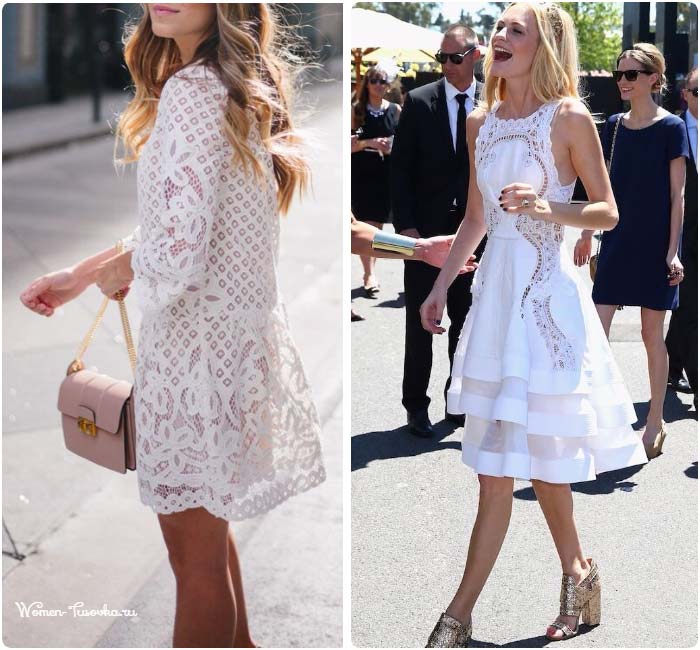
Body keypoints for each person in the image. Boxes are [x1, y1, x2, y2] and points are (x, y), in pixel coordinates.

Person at [19, 5, 326, 647]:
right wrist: (84, 272)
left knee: (193, 562)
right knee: (206, 546)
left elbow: (175, 250)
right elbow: (182, 223)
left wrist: (119, 270)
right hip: (231, 353)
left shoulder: (192, 90)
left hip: (194, 361)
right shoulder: (226, 84)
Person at [419, 3, 648, 646]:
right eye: (499, 29)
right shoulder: (480, 122)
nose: (499, 37)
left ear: (544, 46)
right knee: (494, 469)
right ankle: (469, 614)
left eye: (515, 30)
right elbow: (475, 217)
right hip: (494, 303)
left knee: (547, 467)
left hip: (549, 307)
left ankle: (551, 585)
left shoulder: (570, 117)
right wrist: (440, 287)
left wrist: (552, 207)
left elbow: (606, 213)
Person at [574, 43, 688, 459]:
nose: (623, 81)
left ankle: (654, 421)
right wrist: (587, 233)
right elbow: (597, 187)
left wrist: (673, 252)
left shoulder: (672, 127)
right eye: (619, 73)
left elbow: (678, 197)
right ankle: (599, 419)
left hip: (656, 245)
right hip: (617, 241)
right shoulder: (615, 126)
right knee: (595, 334)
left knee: (649, 335)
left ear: (654, 79)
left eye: (631, 75)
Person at [391, 23, 484, 438]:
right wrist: (408, 231)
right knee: (421, 321)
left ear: (474, 55)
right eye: (441, 58)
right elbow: (400, 171)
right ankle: (415, 406)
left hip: (474, 232)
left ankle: (456, 398)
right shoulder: (418, 101)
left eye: (455, 57)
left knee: (466, 319)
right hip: (425, 235)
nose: (447, 65)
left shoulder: (494, 103)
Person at [352, 63, 402, 297]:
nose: (379, 85)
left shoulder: (395, 110)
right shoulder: (358, 110)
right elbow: (348, 144)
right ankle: (368, 273)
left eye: (383, 81)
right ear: (367, 83)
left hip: (386, 173)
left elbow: (405, 143)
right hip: (362, 172)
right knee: (364, 222)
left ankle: (371, 269)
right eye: (374, 80)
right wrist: (368, 143)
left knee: (378, 226)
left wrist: (393, 147)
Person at [665, 68, 697, 409]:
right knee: (691, 308)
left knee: (688, 309)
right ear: (685, 94)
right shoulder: (672, 129)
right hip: (682, 235)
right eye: (698, 91)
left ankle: (674, 365)